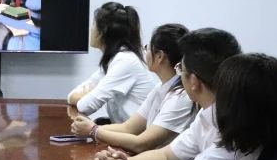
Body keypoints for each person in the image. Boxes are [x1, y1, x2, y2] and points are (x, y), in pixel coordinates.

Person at [96, 27, 240, 160]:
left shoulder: (235, 123)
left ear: (194, 81)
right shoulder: (206, 114)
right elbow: (167, 156)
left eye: (180, 69)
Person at [73, 22, 194, 152]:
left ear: (159, 56)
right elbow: (128, 128)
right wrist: (88, 128)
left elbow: (141, 143)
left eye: (147, 48)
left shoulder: (180, 98)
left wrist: (94, 130)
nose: (145, 52)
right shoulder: (160, 88)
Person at [67, 3, 157, 124]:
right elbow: (71, 95)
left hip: (136, 134)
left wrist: (88, 94)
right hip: (123, 130)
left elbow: (85, 106)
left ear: (103, 32)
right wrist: (88, 94)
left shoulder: (125, 61)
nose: (91, 29)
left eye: (93, 25)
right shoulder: (114, 59)